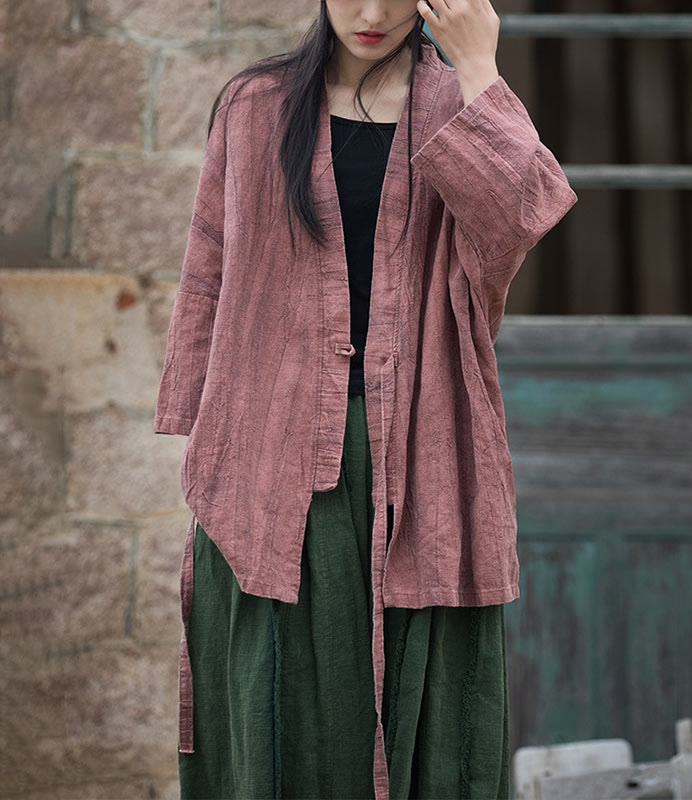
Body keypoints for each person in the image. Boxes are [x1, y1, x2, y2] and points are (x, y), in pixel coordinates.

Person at [153, 1, 577, 798]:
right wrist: (204, 424)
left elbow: (526, 211)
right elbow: (209, 262)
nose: (372, 12)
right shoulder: (256, 106)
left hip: (424, 444)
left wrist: (479, 61)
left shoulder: (460, 107)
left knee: (433, 699)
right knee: (277, 697)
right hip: (272, 459)